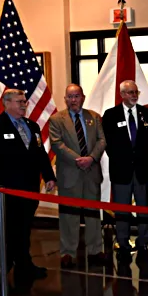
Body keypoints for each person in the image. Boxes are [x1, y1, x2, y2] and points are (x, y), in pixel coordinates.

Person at [0, 89, 56, 284]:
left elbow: (40, 154)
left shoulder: (32, 126)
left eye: (25, 101)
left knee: (24, 229)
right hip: (3, 190)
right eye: (19, 101)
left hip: (28, 188)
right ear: (7, 103)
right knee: (4, 231)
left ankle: (24, 265)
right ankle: (2, 269)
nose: (24, 105)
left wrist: (48, 176)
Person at [49, 84, 107, 269]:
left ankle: (95, 250)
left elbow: (102, 140)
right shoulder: (56, 119)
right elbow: (57, 144)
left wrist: (91, 158)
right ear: (65, 99)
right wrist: (78, 159)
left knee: (92, 214)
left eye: (76, 96)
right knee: (68, 216)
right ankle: (68, 252)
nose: (73, 100)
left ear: (82, 97)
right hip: (70, 174)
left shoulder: (94, 117)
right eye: (70, 97)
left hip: (91, 173)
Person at [102, 80, 148, 262]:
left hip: (141, 169)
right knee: (122, 209)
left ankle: (143, 241)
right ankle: (123, 242)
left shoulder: (147, 114)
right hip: (121, 169)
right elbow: (107, 143)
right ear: (122, 94)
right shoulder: (110, 115)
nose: (134, 95)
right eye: (130, 92)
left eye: (136, 92)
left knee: (143, 208)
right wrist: (122, 158)